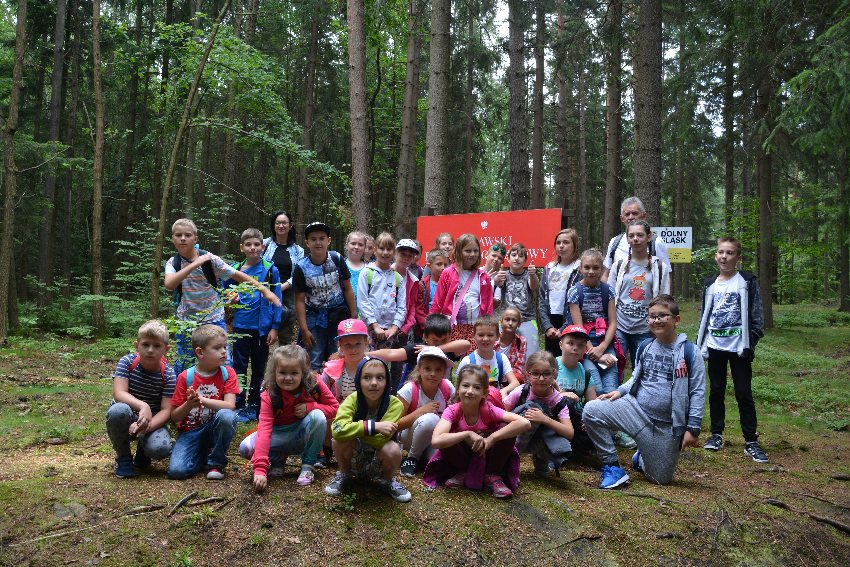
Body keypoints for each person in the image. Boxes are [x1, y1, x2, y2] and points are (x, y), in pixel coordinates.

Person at [582, 295, 705, 488]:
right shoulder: (645, 346)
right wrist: (620, 391)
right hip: (635, 410)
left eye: (662, 315)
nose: (656, 320)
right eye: (652, 316)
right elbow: (636, 376)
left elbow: (697, 391)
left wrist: (693, 428)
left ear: (676, 320)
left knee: (660, 479)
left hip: (666, 425)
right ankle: (612, 466)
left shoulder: (690, 352)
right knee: (591, 410)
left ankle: (641, 457)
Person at [165, 218, 281, 373]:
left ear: (196, 239)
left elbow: (238, 275)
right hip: (186, 322)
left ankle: (225, 389)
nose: (183, 238)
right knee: (185, 365)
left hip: (213, 319)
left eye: (187, 235)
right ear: (173, 238)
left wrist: (265, 291)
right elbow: (169, 284)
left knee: (224, 364)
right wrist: (195, 264)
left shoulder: (210, 259)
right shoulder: (173, 263)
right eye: (178, 235)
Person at [696, 237, 768, 463]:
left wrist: (751, 341)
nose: (724, 257)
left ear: (738, 257)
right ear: (715, 255)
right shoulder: (710, 284)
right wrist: (702, 343)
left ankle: (751, 440)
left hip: (739, 347)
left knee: (743, 392)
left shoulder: (746, 281)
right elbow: (705, 315)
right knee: (716, 390)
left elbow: (757, 315)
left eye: (729, 253)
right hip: (715, 345)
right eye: (721, 252)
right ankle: (716, 434)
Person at [240, 345, 339, 491]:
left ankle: (308, 465)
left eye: (294, 373)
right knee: (246, 448)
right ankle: (277, 459)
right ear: (274, 372)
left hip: (301, 434)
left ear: (303, 372)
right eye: (282, 372)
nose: (288, 378)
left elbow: (335, 408)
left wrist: (310, 407)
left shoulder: (314, 384)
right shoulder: (270, 392)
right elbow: (265, 428)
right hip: (278, 433)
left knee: (318, 416)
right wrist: (260, 469)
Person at [423, 365, 531, 498]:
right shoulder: (452, 411)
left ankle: (492, 475)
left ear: (484, 393)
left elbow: (524, 423)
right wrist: (467, 434)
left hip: (487, 453)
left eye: (477, 387)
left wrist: (491, 439)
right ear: (458, 389)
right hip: (463, 455)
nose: (470, 391)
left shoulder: (489, 409)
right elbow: (436, 441)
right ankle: (463, 471)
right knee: (446, 438)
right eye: (465, 385)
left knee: (506, 427)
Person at [568, 249, 631, 448]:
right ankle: (597, 429)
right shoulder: (574, 292)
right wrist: (592, 350)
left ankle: (616, 430)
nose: (591, 271)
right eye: (587, 267)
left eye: (595, 267)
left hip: (606, 343)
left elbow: (613, 322)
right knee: (595, 386)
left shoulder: (608, 291)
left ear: (602, 268)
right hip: (584, 346)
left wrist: (603, 348)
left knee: (611, 387)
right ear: (580, 268)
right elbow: (578, 326)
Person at [324, 358, 411, 502]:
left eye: (380, 377)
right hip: (354, 459)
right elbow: (337, 430)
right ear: (358, 380)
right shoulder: (352, 400)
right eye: (367, 377)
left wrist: (352, 430)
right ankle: (345, 475)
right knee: (339, 441)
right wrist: (373, 426)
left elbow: (380, 440)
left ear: (387, 381)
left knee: (392, 449)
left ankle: (387, 481)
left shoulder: (394, 404)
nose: (374, 383)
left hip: (379, 460)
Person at [167, 325, 240, 480]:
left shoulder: (228, 373)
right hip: (191, 431)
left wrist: (201, 400)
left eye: (225, 347)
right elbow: (175, 416)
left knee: (227, 416)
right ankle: (203, 454)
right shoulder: (186, 377)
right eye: (217, 348)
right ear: (200, 352)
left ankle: (216, 463)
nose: (224, 351)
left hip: (215, 427)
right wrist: (189, 404)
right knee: (177, 471)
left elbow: (230, 406)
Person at [107, 320, 175, 478]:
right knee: (117, 410)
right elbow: (119, 393)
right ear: (137, 345)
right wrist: (143, 406)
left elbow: (166, 410)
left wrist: (146, 427)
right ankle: (123, 457)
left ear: (166, 349)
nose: (150, 350)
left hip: (152, 421)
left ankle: (143, 450)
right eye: (145, 344)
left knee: (161, 448)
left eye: (157, 346)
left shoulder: (169, 374)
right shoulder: (127, 362)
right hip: (127, 415)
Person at [227, 228, 283, 423]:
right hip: (241, 327)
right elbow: (225, 292)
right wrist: (231, 298)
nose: (253, 248)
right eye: (248, 244)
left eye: (256, 244)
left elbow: (277, 298)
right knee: (239, 367)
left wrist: (274, 327)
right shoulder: (235, 270)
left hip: (262, 329)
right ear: (241, 248)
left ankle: (254, 404)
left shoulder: (270, 270)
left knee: (259, 369)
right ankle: (238, 403)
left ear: (263, 247)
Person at [292, 221, 357, 370]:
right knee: (314, 356)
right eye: (313, 239)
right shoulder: (301, 267)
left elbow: (347, 288)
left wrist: (353, 316)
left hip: (339, 313)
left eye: (322, 238)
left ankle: (338, 384)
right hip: (314, 316)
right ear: (307, 243)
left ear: (329, 240)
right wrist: (304, 329)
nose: (318, 242)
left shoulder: (336, 259)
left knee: (339, 354)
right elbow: (299, 300)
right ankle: (315, 383)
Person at [610, 221, 672, 369]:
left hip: (645, 329)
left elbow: (664, 300)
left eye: (640, 235)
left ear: (648, 237)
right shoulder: (618, 266)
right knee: (615, 369)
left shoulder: (660, 267)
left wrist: (660, 328)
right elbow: (610, 297)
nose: (635, 239)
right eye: (631, 236)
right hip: (619, 328)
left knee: (642, 370)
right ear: (627, 239)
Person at [504, 351, 574, 478]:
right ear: (528, 375)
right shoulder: (521, 391)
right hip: (517, 435)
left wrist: (545, 419)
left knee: (561, 442)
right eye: (535, 374)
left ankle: (542, 462)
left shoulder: (558, 401)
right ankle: (510, 459)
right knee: (533, 409)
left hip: (541, 439)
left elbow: (569, 433)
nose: (541, 379)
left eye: (546, 374)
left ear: (554, 374)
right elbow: (502, 413)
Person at [367, 313, 471, 393]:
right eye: (434, 340)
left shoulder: (449, 350)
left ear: (449, 336)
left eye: (444, 340)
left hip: (441, 393)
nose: (439, 342)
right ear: (425, 337)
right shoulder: (418, 349)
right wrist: (366, 355)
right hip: (416, 394)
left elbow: (466, 344)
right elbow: (391, 353)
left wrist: (435, 348)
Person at [396, 346, 456, 476]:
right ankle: (412, 458)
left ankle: (424, 457)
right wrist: (421, 411)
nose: (433, 374)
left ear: (444, 372)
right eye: (427, 369)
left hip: (434, 437)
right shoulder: (409, 390)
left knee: (439, 462)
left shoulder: (447, 387)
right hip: (410, 437)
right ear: (419, 369)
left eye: (438, 370)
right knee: (431, 419)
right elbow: (396, 425)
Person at [430, 233, 494, 347]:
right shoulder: (448, 273)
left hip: (476, 329)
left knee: (472, 358)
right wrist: (431, 328)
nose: (472, 254)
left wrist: (488, 330)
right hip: (451, 327)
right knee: (450, 356)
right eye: (468, 251)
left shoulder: (483, 276)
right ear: (459, 251)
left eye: (475, 251)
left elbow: (488, 308)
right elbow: (437, 303)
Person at [455, 315, 521, 406]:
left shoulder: (501, 359)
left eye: (490, 335)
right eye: (481, 335)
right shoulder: (467, 362)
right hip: (473, 405)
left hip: (495, 404)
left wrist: (503, 391)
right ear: (474, 335)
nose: (485, 339)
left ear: (498, 336)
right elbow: (458, 387)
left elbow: (515, 383)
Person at [602, 196, 670, 282]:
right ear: (622, 218)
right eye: (627, 214)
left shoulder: (656, 242)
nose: (630, 217)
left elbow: (666, 275)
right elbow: (606, 275)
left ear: (644, 216)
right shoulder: (615, 242)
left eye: (635, 213)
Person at [262, 210, 305, 345]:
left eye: (284, 223)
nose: (281, 226)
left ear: (290, 225)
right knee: (263, 333)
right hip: (265, 291)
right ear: (274, 225)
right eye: (278, 223)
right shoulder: (264, 244)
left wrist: (283, 286)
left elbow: (298, 273)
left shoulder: (298, 250)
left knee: (286, 335)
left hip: (288, 294)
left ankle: (284, 357)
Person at [357, 232, 406, 349]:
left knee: (385, 359)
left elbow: (402, 307)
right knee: (367, 358)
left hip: (389, 332)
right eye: (381, 248)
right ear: (375, 249)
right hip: (368, 329)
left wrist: (394, 327)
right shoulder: (366, 273)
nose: (385, 252)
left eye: (389, 249)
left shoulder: (398, 278)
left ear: (394, 252)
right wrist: (375, 326)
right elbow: (362, 302)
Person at [539, 229, 582, 358]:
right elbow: (542, 299)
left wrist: (564, 327)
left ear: (574, 245)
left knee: (568, 358)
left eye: (566, 242)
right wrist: (547, 326)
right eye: (558, 243)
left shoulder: (579, 268)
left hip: (570, 319)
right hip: (551, 320)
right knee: (551, 360)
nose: (561, 246)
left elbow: (579, 301)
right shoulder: (549, 268)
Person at [555, 325, 597, 453]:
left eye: (580, 345)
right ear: (561, 345)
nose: (575, 348)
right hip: (556, 417)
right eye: (570, 343)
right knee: (567, 402)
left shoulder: (586, 374)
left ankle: (572, 446)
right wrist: (562, 394)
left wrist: (588, 420)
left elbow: (593, 404)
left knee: (601, 436)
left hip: (577, 419)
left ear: (585, 349)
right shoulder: (550, 367)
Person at [494, 243, 540, 356]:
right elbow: (498, 284)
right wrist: (497, 280)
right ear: (508, 259)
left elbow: (534, 286)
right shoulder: (504, 275)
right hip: (506, 319)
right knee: (501, 353)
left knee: (531, 355)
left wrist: (533, 275)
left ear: (525, 260)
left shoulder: (529, 275)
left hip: (527, 319)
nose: (517, 258)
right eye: (514, 255)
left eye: (521, 256)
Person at [395, 238, 426, 342]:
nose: (406, 258)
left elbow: (412, 305)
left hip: (404, 330)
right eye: (403, 254)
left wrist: (408, 325)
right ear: (395, 253)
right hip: (383, 326)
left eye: (410, 255)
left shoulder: (414, 280)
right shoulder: (385, 274)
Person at [496, 307, 527, 383]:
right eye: (507, 319)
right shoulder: (493, 339)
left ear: (519, 324)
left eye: (514, 320)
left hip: (510, 378)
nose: (510, 323)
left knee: (519, 377)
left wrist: (504, 378)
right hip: (492, 374)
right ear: (501, 321)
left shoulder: (521, 341)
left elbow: (519, 367)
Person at [344, 231, 369, 313]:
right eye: (353, 243)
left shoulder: (369, 269)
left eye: (360, 245)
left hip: (364, 314)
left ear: (365, 248)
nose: (356, 247)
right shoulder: (341, 266)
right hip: (344, 312)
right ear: (347, 245)